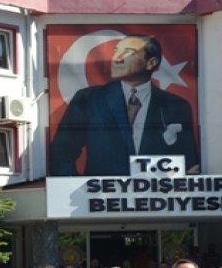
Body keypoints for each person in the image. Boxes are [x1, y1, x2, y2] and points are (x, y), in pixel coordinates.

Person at [49, 34, 197, 177]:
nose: (116, 59)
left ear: (151, 62)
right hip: (101, 198)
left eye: (127, 53)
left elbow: (187, 161)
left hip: (155, 198)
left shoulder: (176, 106)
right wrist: (77, 189)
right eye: (116, 51)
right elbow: (62, 152)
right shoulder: (88, 99)